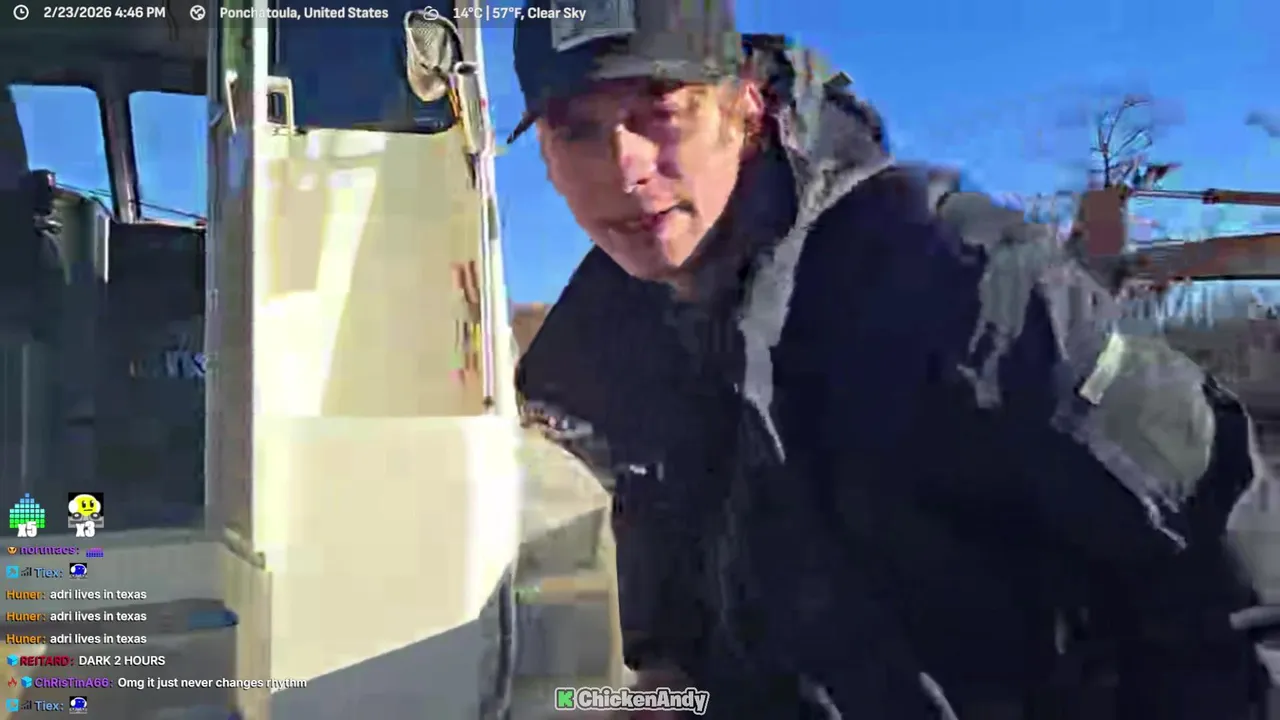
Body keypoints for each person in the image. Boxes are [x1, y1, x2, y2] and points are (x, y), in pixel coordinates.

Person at [509, 0, 1275, 717]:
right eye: (576, 130)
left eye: (661, 111)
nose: (625, 167)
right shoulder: (619, 362)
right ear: (544, 158)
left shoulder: (964, 284)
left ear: (745, 107)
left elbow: (1236, 573)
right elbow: (682, 646)